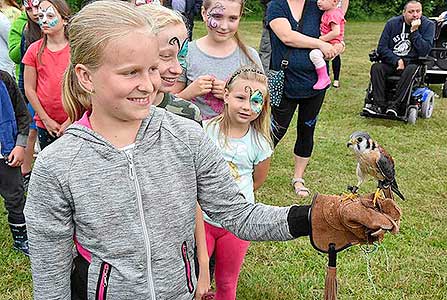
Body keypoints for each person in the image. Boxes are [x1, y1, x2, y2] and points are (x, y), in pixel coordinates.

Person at [25, 1, 400, 299]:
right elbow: (51, 277)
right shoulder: (58, 166)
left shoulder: (187, 137)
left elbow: (237, 213)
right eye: (130, 72)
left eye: (152, 68)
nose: (149, 83)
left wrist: (313, 217)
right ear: (86, 76)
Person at [138, 4, 210, 299]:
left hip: (175, 259)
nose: (178, 69)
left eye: (181, 57)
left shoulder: (187, 116)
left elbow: (193, 195)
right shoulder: (108, 113)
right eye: (165, 57)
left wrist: (202, 262)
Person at [202, 66, 272, 299]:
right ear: (226, 96)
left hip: (237, 224)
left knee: (226, 281)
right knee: (193, 278)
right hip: (201, 220)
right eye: (240, 97)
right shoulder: (205, 131)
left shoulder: (260, 144)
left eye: (255, 101)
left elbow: (256, 180)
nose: (246, 106)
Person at [267, 0, 343, 197]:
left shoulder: (318, 5)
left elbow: (338, 32)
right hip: (282, 80)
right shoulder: (276, 5)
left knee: (307, 128)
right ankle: (251, 170)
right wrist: (320, 43)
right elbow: (287, 37)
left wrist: (337, 47)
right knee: (274, 128)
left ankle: (298, 178)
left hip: (315, 82)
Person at [174, 0, 263, 120]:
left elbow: (261, 102)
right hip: (192, 134)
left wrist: (231, 94)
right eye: (217, 16)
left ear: (240, 17)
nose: (224, 26)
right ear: (204, 13)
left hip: (233, 135)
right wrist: (189, 92)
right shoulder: (186, 54)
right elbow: (168, 104)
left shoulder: (249, 56)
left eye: (232, 18)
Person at [363, 0, 434, 117]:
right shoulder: (392, 24)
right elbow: (381, 47)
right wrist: (396, 60)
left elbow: (424, 50)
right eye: (411, 12)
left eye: (418, 11)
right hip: (393, 62)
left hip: (413, 62)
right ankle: (378, 105)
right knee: (377, 67)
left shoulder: (428, 25)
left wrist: (414, 32)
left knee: (411, 69)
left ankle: (395, 105)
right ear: (404, 12)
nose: (415, 15)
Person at [23, 0, 71, 150]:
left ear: (64, 20)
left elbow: (84, 89)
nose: (44, 20)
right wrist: (45, 119)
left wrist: (71, 120)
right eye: (41, 16)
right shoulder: (34, 50)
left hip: (75, 121)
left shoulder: (75, 50)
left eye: (50, 15)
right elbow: (29, 88)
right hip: (45, 123)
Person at [8, 0, 41, 191]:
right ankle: (26, 174)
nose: (35, 12)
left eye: (38, 7)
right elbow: (15, 56)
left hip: (53, 91)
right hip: (30, 88)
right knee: (30, 131)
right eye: (30, 8)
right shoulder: (23, 28)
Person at [0, 69, 30, 256]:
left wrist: (20, 145)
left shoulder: (4, 79)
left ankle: (21, 238)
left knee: (15, 196)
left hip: (7, 153)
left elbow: (22, 115)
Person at [309, 0, 346, 90]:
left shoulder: (333, 14)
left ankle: (323, 77)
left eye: (323, 0)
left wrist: (321, 39)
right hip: (330, 43)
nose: (319, 2)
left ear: (334, 1)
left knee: (314, 55)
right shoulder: (329, 11)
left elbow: (336, 32)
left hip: (332, 44)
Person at [330, 0, 348, 88]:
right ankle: (323, 75)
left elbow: (345, 2)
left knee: (335, 49)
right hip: (325, 19)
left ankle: (336, 79)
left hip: (335, 19)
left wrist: (339, 17)